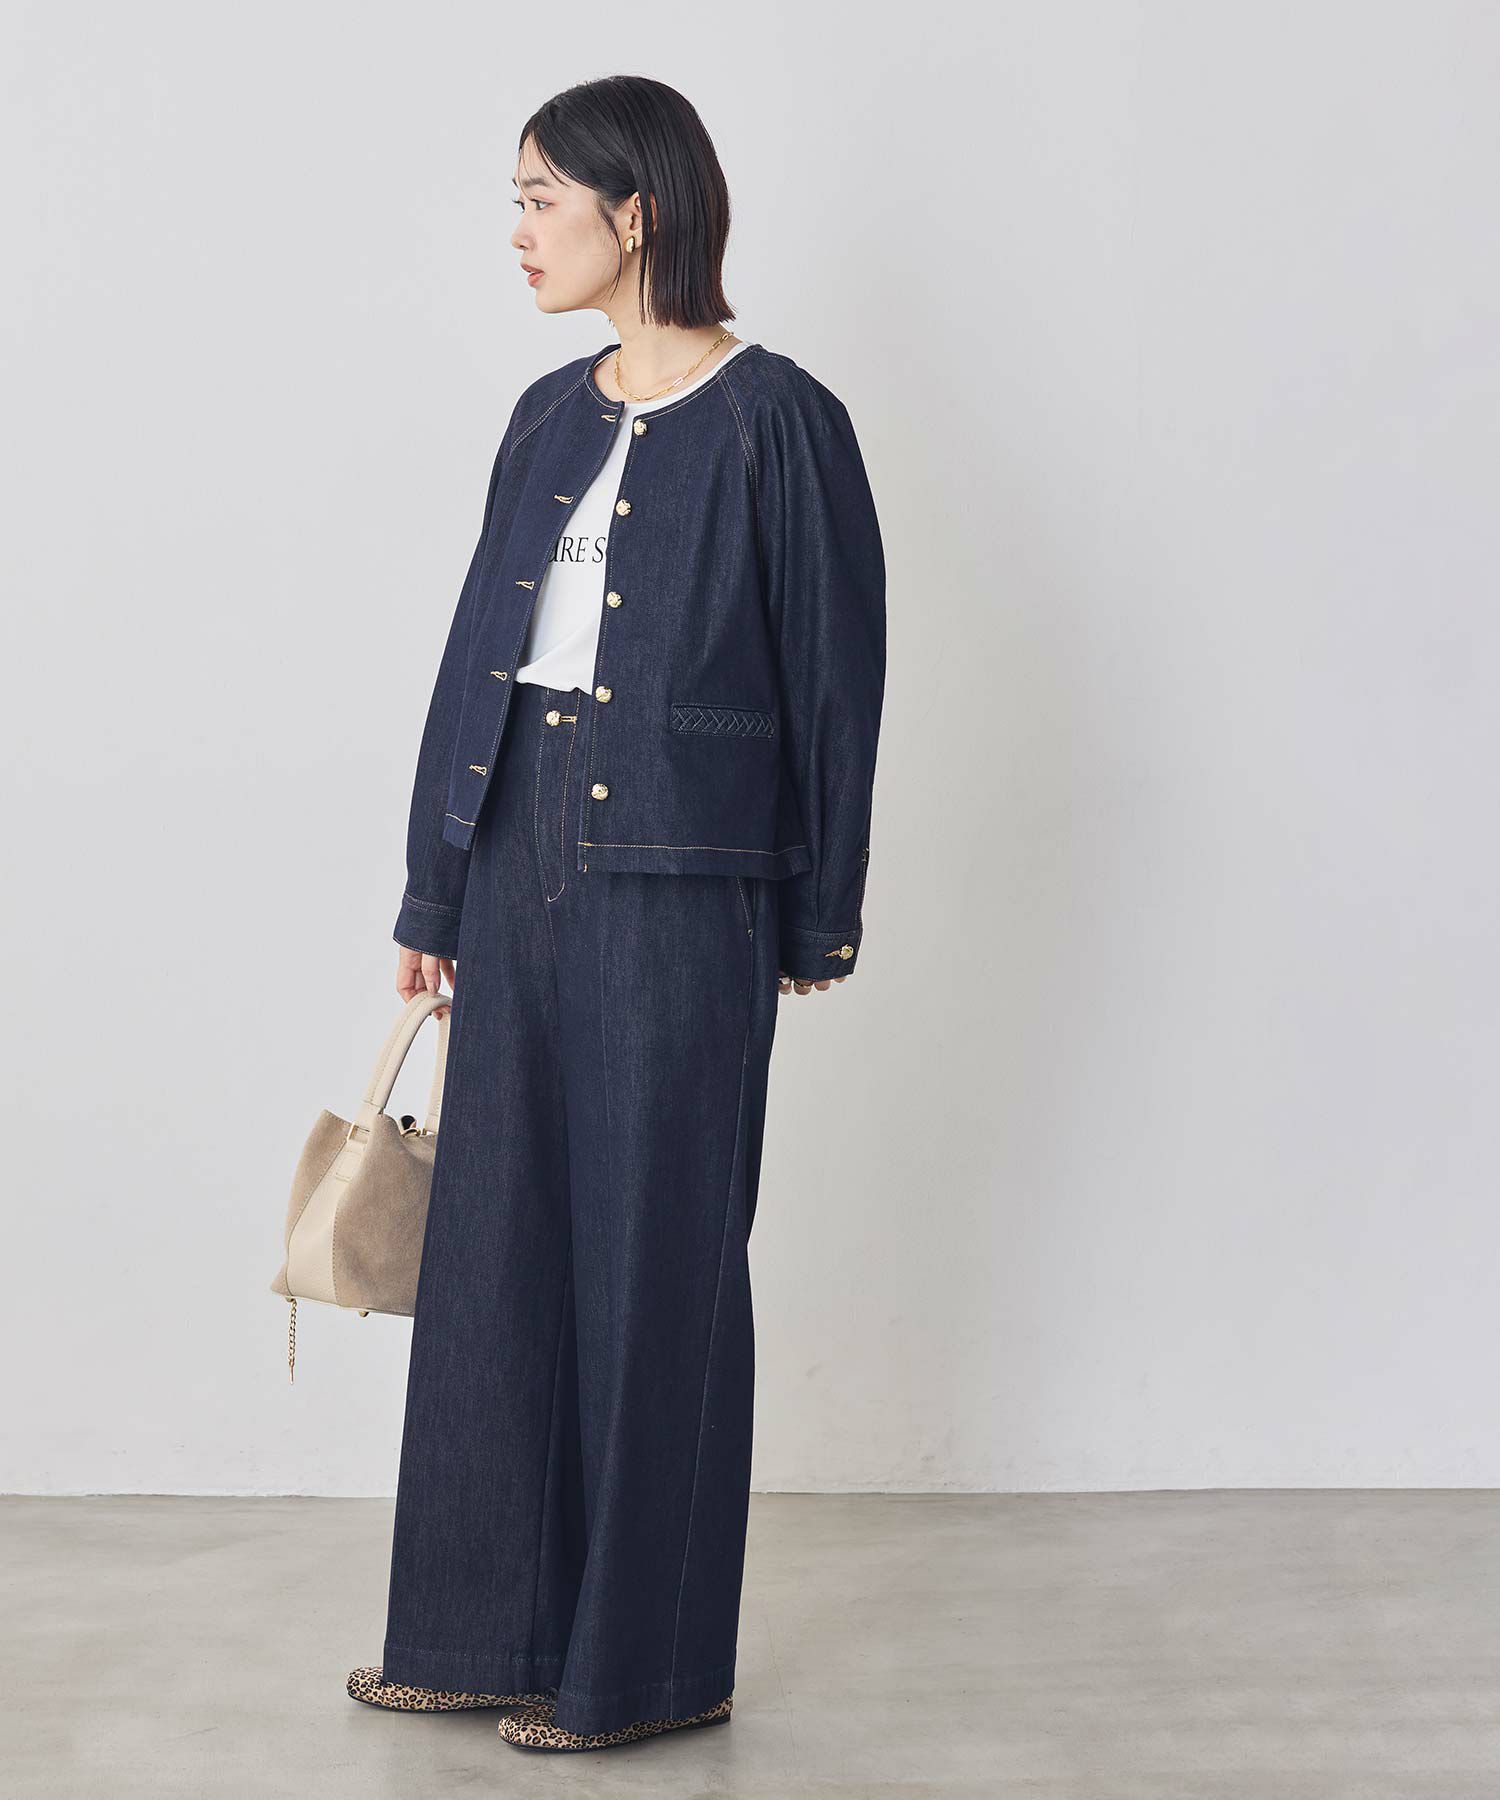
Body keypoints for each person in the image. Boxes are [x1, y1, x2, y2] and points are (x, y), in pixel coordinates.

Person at [345, 74, 886, 1755]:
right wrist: (438, 884)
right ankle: (472, 1631)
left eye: (540, 199)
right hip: (518, 860)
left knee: (658, 1266)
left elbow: (837, 679)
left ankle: (639, 1672)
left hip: (684, 876)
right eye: (514, 201)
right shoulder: (542, 415)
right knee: (496, 1250)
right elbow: (474, 655)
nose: (517, 232)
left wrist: (817, 912)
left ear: (632, 210)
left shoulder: (778, 418)